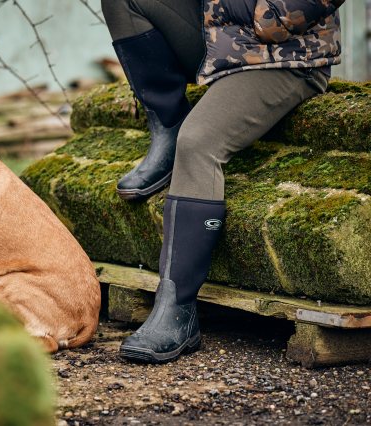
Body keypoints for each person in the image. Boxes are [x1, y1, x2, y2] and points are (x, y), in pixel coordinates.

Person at [101, 0, 345, 363]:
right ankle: (167, 123)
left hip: (283, 59)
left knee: (198, 142)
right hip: (223, 44)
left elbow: (275, 22)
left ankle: (177, 310)